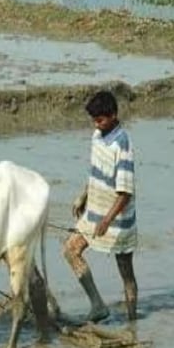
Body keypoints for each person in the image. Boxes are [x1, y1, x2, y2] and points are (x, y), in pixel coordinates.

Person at [63, 90, 138, 322]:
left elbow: (125, 192)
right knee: (70, 250)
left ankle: (132, 323)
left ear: (113, 115)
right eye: (94, 120)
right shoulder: (97, 136)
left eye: (101, 120)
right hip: (94, 212)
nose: (97, 124)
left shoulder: (122, 144)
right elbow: (96, 170)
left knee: (126, 273)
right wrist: (83, 195)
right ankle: (97, 304)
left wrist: (107, 220)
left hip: (117, 219)